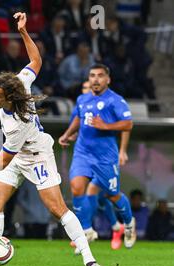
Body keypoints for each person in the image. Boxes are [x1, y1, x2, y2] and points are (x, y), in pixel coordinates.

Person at [0, 12, 103, 266]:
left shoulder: (16, 124)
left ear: (8, 97)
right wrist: (22, 32)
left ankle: (90, 260)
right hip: (15, 155)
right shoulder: (21, 82)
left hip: (36, 154)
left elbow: (0, 162)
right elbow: (36, 60)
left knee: (56, 208)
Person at [58, 63, 137, 253]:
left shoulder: (115, 100)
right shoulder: (82, 99)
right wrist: (67, 134)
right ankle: (86, 231)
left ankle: (128, 223)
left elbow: (128, 124)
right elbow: (78, 117)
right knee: (77, 188)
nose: (95, 79)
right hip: (82, 152)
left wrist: (106, 127)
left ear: (107, 79)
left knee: (112, 194)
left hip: (105, 157)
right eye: (92, 75)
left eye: (100, 75)